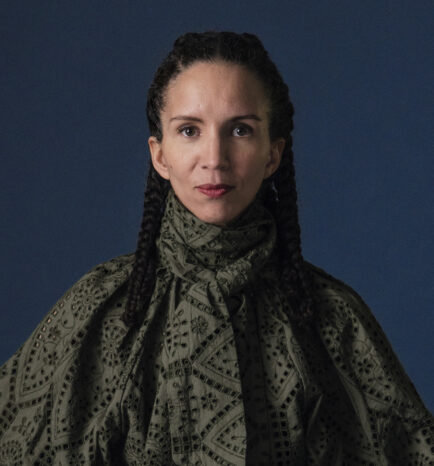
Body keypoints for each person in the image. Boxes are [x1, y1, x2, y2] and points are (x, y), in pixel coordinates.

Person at [0, 31, 432, 466]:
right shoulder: (100, 308)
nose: (214, 157)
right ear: (160, 155)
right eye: (189, 130)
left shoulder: (331, 318)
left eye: (240, 130)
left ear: (272, 155)